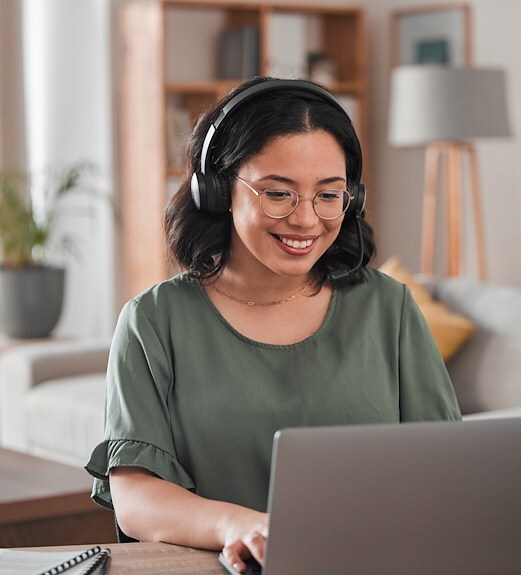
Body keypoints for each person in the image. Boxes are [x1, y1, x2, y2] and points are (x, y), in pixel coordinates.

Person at [86, 77, 461, 572]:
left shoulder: (388, 308)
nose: (306, 220)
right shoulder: (153, 321)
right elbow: (135, 496)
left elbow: (448, 472)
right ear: (217, 191)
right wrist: (237, 526)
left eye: (329, 195)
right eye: (278, 193)